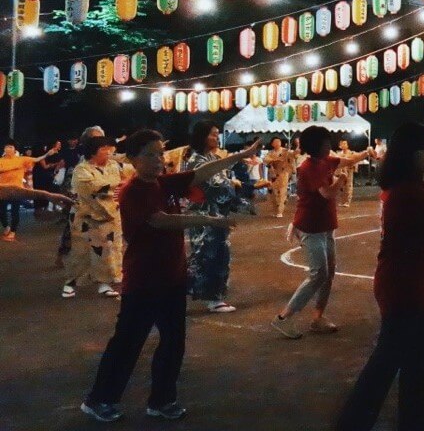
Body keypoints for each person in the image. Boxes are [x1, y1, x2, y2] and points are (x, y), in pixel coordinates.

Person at [80, 131, 259, 423]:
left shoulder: (162, 182)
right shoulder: (132, 191)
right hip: (144, 282)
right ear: (132, 159)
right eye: (150, 155)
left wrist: (240, 155)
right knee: (127, 343)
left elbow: (201, 173)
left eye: (160, 154)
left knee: (174, 342)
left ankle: (162, 400)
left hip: (173, 278)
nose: (158, 160)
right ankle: (99, 399)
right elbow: (161, 221)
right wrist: (208, 219)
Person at [334, 122, 424, 431]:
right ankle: (355, 423)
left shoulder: (407, 187)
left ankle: (413, 421)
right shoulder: (409, 193)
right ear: (414, 155)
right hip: (407, 286)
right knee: (389, 360)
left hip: (410, 283)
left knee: (414, 357)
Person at [271, 126, 372, 339]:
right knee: (319, 274)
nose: (329, 145)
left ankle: (317, 318)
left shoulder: (327, 160)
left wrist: (366, 153)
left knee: (328, 273)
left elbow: (348, 161)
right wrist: (340, 181)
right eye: (326, 142)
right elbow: (327, 193)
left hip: (325, 225)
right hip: (311, 226)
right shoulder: (308, 167)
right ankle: (283, 317)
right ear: (316, 145)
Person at [182, 121, 254, 314]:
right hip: (205, 216)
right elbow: (216, 187)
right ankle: (213, 298)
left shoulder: (212, 158)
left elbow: (223, 182)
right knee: (209, 256)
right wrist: (238, 188)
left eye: (217, 133)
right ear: (202, 137)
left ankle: (206, 294)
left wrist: (233, 184)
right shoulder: (196, 161)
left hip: (217, 214)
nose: (216, 137)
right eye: (213, 134)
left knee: (213, 255)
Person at [61, 136, 125, 299]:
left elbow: (130, 174)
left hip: (110, 216)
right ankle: (71, 282)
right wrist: (117, 187)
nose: (108, 152)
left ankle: (104, 282)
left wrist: (124, 186)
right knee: (81, 251)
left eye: (109, 148)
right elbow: (92, 188)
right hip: (85, 216)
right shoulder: (81, 169)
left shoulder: (114, 165)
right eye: (103, 149)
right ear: (92, 152)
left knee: (108, 250)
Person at [0, 139, 61, 241]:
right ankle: (6, 226)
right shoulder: (1, 161)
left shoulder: (22, 159)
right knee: (2, 211)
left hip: (17, 189)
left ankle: (13, 231)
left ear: (15, 149)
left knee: (15, 211)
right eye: (6, 147)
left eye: (10, 147)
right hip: (3, 190)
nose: (8, 149)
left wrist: (47, 154)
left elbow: (37, 159)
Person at [262, 137, 299, 218]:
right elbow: (265, 160)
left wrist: (298, 145)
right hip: (273, 175)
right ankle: (275, 210)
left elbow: (294, 154)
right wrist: (274, 160)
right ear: (272, 144)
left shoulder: (286, 151)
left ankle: (280, 211)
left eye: (279, 141)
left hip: (283, 174)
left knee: (282, 192)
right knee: (273, 193)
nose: (278, 142)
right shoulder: (270, 153)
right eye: (275, 141)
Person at [334, 139, 359, 206]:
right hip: (341, 172)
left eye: (345, 144)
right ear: (340, 146)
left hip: (349, 171)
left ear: (347, 145)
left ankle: (347, 201)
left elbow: (355, 161)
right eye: (342, 144)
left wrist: (353, 167)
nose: (344, 145)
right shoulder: (339, 154)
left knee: (348, 186)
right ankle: (342, 201)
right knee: (341, 186)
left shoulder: (351, 153)